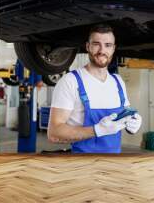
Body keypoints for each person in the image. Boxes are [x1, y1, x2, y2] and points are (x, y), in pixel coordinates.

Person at [48, 24, 142, 153]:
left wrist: (132, 123)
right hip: (82, 165)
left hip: (115, 163)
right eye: (96, 44)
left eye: (108, 45)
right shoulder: (71, 81)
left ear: (113, 49)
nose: (102, 50)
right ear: (88, 46)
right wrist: (97, 130)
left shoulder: (118, 81)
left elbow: (125, 114)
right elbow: (54, 133)